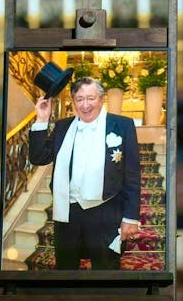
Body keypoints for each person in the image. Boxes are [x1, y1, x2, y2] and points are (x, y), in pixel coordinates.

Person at [28, 77, 141, 270]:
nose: (85, 105)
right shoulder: (63, 126)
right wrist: (42, 119)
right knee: (66, 271)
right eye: (79, 99)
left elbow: (132, 176)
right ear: (73, 102)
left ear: (101, 99)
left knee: (106, 271)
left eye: (91, 98)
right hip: (68, 213)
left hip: (105, 211)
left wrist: (130, 217)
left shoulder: (123, 126)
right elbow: (39, 157)